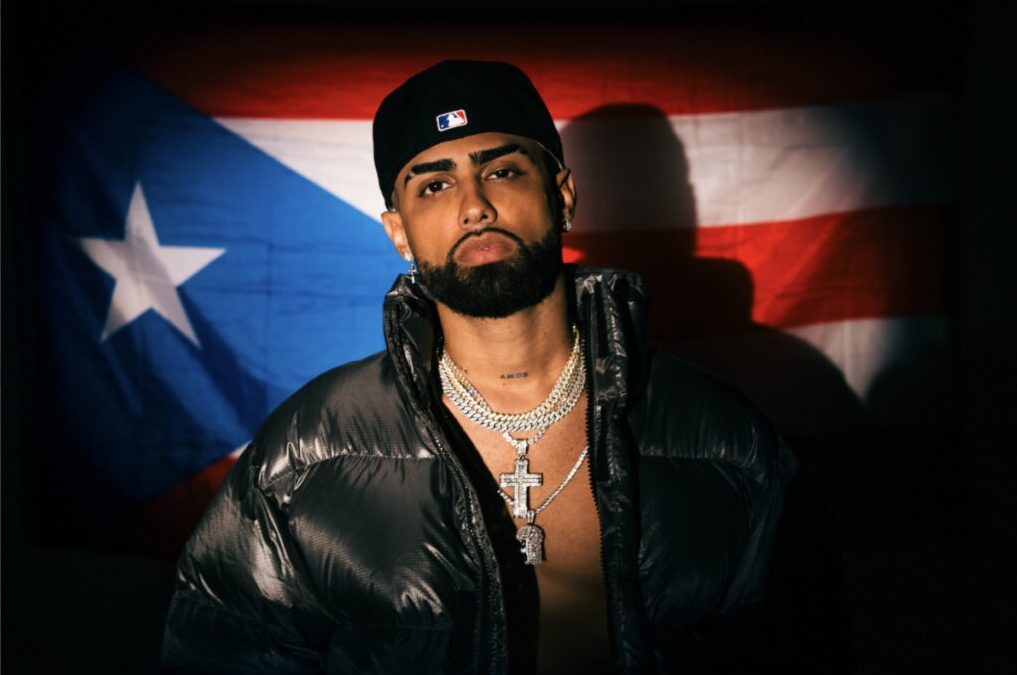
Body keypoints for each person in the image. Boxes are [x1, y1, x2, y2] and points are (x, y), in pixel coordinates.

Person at [162, 60, 796, 674]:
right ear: (399, 232)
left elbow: (800, 643)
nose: (475, 207)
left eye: (502, 171)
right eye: (434, 185)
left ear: (562, 195)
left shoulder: (722, 435)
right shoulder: (307, 450)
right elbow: (224, 653)